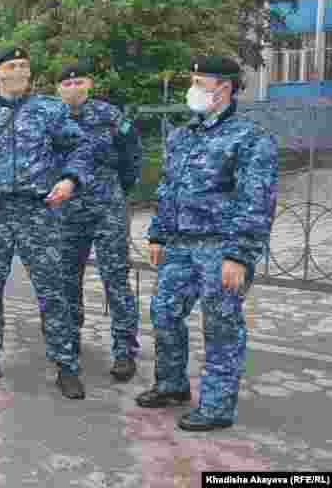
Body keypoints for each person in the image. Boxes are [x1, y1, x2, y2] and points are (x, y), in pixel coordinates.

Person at [0, 46, 94, 399]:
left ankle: (66, 364)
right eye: (13, 65)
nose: (22, 70)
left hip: (37, 212)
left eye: (25, 65)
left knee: (53, 290)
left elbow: (82, 148)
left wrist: (70, 180)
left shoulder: (49, 109)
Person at [136, 56, 278, 432]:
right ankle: (171, 385)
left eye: (201, 82)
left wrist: (239, 256)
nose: (194, 90)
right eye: (193, 81)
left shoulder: (250, 137)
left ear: (225, 88)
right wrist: (158, 234)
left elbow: (257, 201)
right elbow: (168, 189)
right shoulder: (183, 135)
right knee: (164, 313)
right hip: (180, 244)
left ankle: (216, 407)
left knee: (220, 327)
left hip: (221, 247)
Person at [54, 61, 141, 383]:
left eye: (79, 83)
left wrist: (121, 188)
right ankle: (69, 340)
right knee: (66, 279)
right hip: (67, 211)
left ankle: (124, 351)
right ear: (58, 89)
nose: (73, 89)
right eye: (66, 84)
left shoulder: (109, 115)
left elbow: (132, 154)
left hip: (107, 207)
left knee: (115, 279)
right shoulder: (51, 118)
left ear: (89, 84)